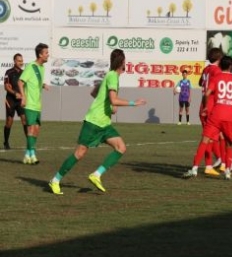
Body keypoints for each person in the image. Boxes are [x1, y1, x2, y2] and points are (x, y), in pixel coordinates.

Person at [48, 49, 147, 195]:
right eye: (125, 61)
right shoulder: (112, 76)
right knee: (79, 153)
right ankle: (55, 180)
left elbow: (94, 93)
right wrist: (134, 103)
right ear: (122, 62)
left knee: (121, 147)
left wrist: (108, 105)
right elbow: (113, 100)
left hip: (104, 124)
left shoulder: (110, 76)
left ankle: (96, 175)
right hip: (94, 122)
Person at [183, 55, 232, 180]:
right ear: (231, 66)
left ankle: (194, 168)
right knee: (228, 144)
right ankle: (228, 172)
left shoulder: (216, 78)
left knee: (205, 140)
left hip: (217, 114)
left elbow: (207, 94)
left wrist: (205, 107)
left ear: (220, 65)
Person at [17, 43, 49, 164]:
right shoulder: (31, 66)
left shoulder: (42, 68)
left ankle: (27, 155)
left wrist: (43, 85)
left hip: (37, 105)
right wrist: (23, 97)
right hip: (30, 104)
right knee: (30, 129)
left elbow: (35, 82)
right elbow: (20, 82)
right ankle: (33, 155)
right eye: (46, 53)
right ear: (40, 55)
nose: (48, 55)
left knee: (36, 130)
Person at [197, 47, 224, 173]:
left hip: (203, 106)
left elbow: (200, 82)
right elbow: (219, 86)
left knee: (209, 136)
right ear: (219, 59)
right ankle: (220, 160)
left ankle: (210, 165)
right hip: (211, 106)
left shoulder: (206, 69)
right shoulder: (217, 70)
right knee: (214, 136)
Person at [4, 53, 27, 149]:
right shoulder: (8, 72)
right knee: (9, 121)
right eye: (19, 61)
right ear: (14, 61)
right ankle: (6, 142)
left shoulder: (24, 73)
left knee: (24, 120)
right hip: (10, 100)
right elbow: (6, 87)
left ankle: (29, 143)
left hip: (20, 101)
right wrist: (15, 93)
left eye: (22, 61)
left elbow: (27, 86)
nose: (21, 62)